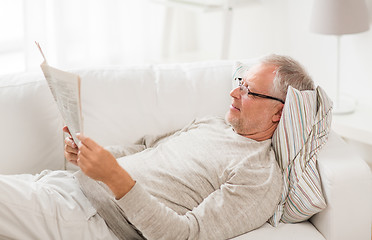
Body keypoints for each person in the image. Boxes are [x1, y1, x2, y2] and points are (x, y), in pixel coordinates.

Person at [0, 54, 314, 240]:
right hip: (63, 185)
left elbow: (185, 235)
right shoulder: (212, 123)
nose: (234, 93)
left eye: (249, 91)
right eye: (239, 83)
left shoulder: (258, 176)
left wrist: (113, 178)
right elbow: (145, 149)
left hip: (92, 219)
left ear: (279, 112)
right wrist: (92, 157)